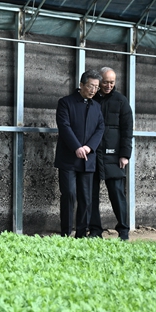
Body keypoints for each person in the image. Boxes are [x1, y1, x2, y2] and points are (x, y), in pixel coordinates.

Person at [55, 70, 105, 238]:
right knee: (69, 194)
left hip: (88, 159)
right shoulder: (65, 103)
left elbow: (100, 128)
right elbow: (64, 126)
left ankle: (81, 234)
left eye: (96, 87)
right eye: (91, 86)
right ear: (81, 85)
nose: (93, 90)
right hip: (68, 158)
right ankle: (66, 232)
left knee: (86, 197)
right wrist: (77, 147)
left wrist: (89, 147)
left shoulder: (97, 107)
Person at [89, 67, 134, 240]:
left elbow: (127, 130)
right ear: (99, 81)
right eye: (106, 82)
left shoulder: (121, 101)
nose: (108, 85)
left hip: (113, 155)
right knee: (90, 195)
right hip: (93, 153)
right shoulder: (91, 99)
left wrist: (125, 154)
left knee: (117, 194)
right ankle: (94, 231)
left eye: (112, 82)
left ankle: (123, 231)